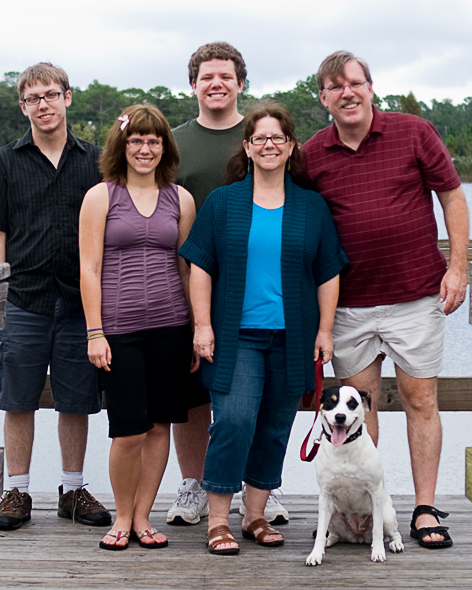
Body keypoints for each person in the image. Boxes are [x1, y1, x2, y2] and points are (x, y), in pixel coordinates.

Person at [302, 50, 470, 549]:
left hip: (416, 295)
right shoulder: (311, 153)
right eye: (335, 87)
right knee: (358, 408)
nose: (347, 93)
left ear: (371, 87)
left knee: (421, 400)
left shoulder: (413, 132)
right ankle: (365, 513)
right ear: (324, 98)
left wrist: (457, 267)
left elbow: (453, 196)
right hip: (350, 303)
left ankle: (423, 508)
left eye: (355, 83)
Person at [179, 102, 348, 555]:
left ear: (291, 147)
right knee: (233, 420)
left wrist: (325, 330)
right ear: (247, 147)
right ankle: (218, 520)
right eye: (260, 138)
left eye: (278, 138)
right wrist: (202, 326)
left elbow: (328, 272)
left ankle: (254, 515)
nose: (269, 145)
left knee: (274, 427)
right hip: (236, 336)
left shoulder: (311, 207)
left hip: (292, 337)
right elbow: (200, 266)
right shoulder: (223, 202)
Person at [0, 62, 111, 532]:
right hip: (23, 300)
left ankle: (72, 490)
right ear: (23, 106)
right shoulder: (4, 162)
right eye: (33, 98)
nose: (43, 105)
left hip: (79, 302)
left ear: (68, 98)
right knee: (18, 399)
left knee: (76, 400)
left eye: (51, 95)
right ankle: (18, 491)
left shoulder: (95, 162)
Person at [168, 41, 290, 528]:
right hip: (189, 283)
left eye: (225, 76)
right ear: (193, 84)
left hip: (258, 294)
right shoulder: (174, 142)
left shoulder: (261, 134)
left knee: (257, 396)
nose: (216, 84)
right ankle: (195, 484)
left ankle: (260, 488)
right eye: (206, 77)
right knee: (194, 396)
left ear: (242, 83)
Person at [80, 104, 197, 550]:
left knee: (157, 427)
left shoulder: (179, 199)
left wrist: (193, 329)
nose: (145, 149)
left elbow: (185, 266)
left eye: (153, 141)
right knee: (128, 429)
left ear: (164, 147)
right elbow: (88, 268)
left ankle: (144, 517)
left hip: (171, 327)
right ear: (122, 145)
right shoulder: (101, 196)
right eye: (136, 141)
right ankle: (121, 517)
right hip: (118, 331)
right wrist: (95, 332)